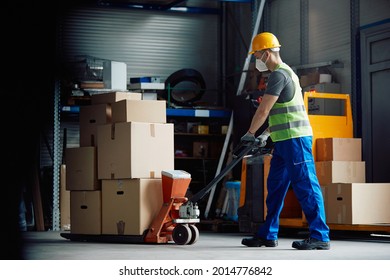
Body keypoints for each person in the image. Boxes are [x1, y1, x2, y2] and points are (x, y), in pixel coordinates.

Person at [240, 32, 330, 250]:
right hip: (282, 141)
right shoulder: (282, 74)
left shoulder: (280, 75)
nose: (256, 60)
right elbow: (281, 113)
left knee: (306, 185)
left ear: (266, 53)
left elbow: (264, 110)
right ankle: (268, 234)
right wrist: (264, 135)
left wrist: (250, 134)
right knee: (276, 187)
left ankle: (320, 236)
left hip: (296, 140)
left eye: (257, 55)